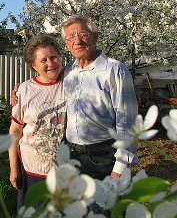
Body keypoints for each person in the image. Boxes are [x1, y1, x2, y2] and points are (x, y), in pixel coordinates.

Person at [11, 14, 138, 180]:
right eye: (71, 37)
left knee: (103, 205)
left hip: (104, 157)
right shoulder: (69, 71)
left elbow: (128, 124)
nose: (77, 41)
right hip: (72, 157)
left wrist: (119, 170)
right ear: (66, 44)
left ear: (95, 37)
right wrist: (20, 89)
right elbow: (45, 80)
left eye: (83, 34)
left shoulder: (114, 71)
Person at [8, 34, 66, 210]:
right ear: (33, 66)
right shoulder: (25, 90)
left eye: (54, 57)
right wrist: (13, 168)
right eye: (43, 60)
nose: (51, 63)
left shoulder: (72, 80)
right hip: (34, 171)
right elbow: (15, 132)